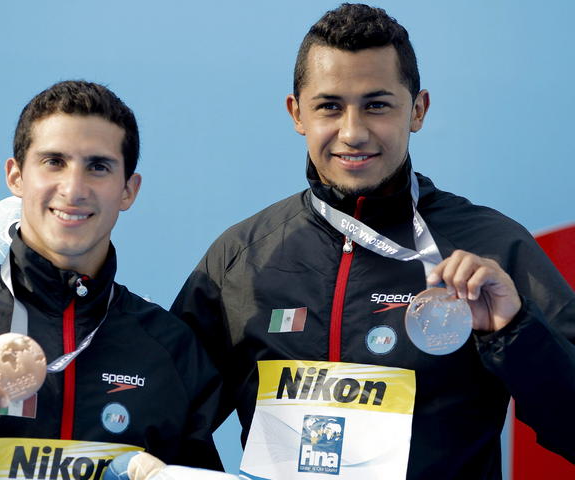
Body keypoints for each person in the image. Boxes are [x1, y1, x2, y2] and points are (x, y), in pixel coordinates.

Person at [170, 4, 575, 479]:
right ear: (297, 113)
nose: (353, 132)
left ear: (418, 110)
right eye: (329, 106)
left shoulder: (492, 249)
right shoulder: (242, 257)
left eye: (377, 105)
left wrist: (514, 332)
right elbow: (163, 423)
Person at [0, 80, 222, 478]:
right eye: (54, 162)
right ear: (16, 176)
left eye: (98, 167)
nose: (74, 189)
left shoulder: (169, 348)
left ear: (128, 190)